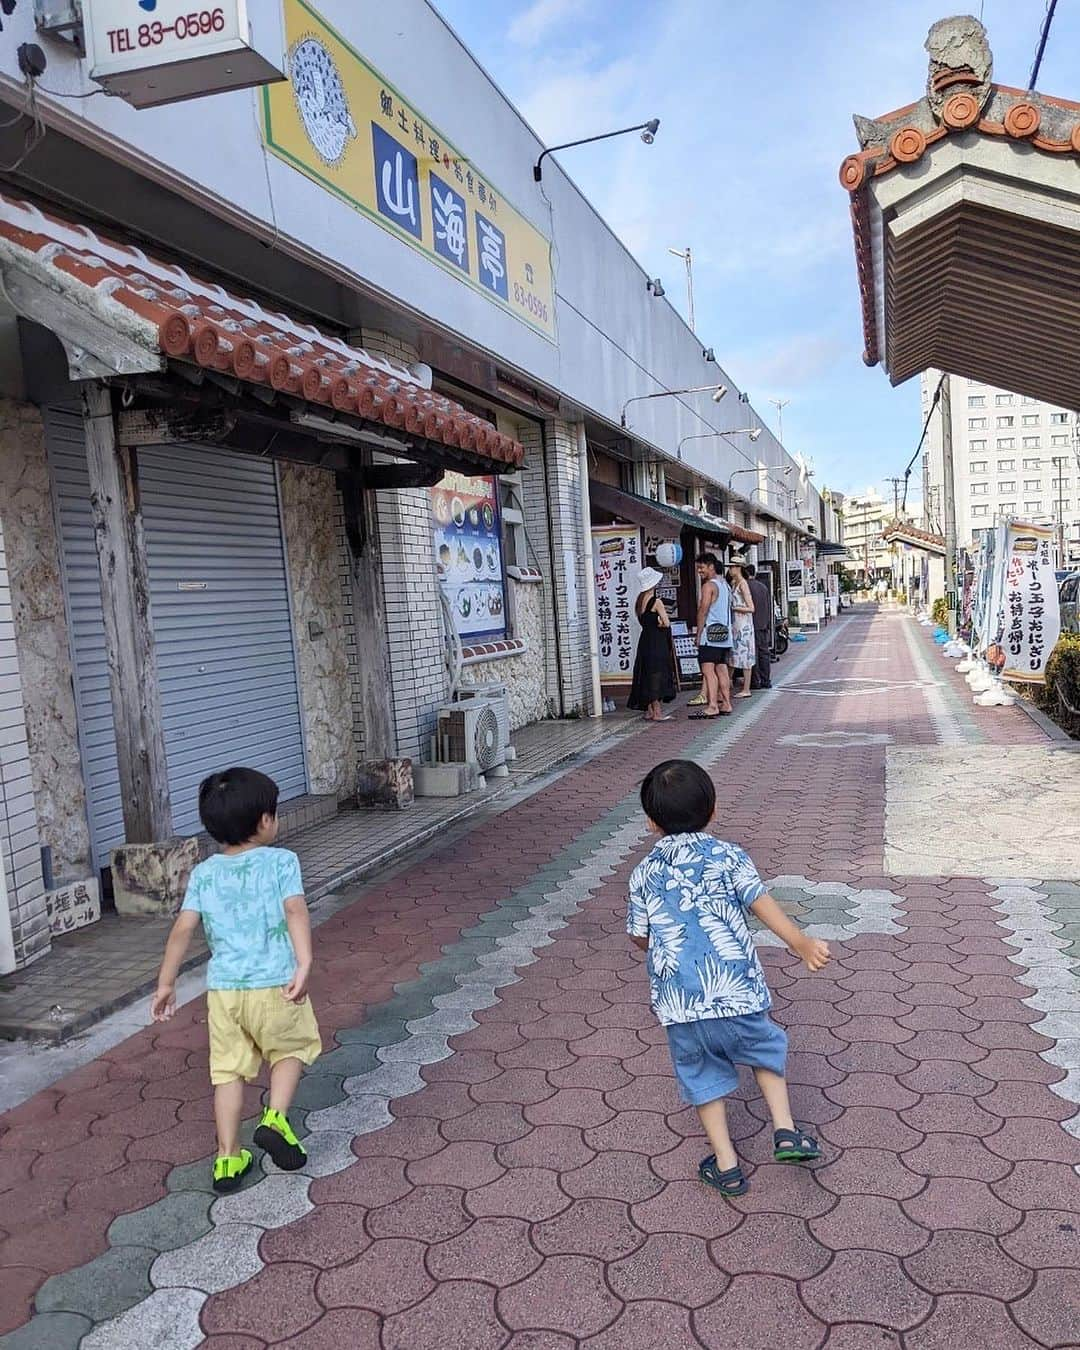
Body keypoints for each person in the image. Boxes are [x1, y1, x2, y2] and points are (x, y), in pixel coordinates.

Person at [628, 760, 831, 1197]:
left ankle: (727, 1165)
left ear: (650, 820)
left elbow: (640, 938)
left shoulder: (643, 873)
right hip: (738, 993)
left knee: (701, 1075)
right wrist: (799, 942)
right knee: (765, 1051)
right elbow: (760, 901)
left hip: (680, 1004)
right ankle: (785, 1130)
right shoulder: (729, 855)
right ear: (713, 810)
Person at [151, 767, 322, 1193]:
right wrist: (303, 963)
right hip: (275, 984)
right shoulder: (282, 862)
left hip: (224, 992)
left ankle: (227, 1158)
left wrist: (166, 983)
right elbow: (296, 911)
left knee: (227, 1073)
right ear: (265, 821)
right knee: (291, 1049)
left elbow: (183, 930)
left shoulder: (205, 874)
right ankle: (275, 1118)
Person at [628, 566, 677, 721]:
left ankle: (649, 710)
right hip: (657, 642)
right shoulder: (656, 602)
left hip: (645, 641)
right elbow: (667, 623)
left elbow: (645, 621)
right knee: (657, 673)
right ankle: (657, 712)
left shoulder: (639, 601)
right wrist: (659, 621)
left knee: (647, 673)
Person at [691, 553, 733, 719]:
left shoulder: (708, 586)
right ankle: (727, 704)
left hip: (710, 635)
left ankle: (713, 705)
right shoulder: (725, 585)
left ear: (711, 566)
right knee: (721, 669)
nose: (699, 571)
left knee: (708, 670)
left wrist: (699, 633)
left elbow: (703, 610)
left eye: (701, 568)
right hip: (724, 635)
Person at [727, 553, 756, 701]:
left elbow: (751, 607)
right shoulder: (733, 583)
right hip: (735, 625)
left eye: (732, 567)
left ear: (738, 568)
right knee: (733, 655)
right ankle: (726, 686)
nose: (730, 570)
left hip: (743, 625)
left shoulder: (743, 584)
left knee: (745, 657)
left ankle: (746, 689)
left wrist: (736, 608)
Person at [745, 564, 773, 690]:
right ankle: (766, 680)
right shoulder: (763, 587)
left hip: (750, 625)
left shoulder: (744, 586)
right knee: (764, 653)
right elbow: (768, 606)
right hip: (763, 624)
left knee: (753, 654)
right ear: (755, 573)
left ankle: (755, 681)